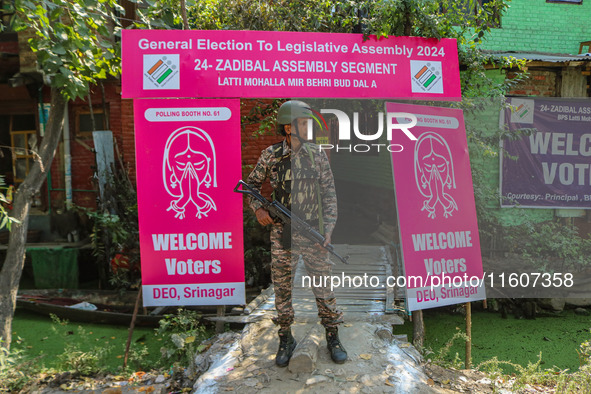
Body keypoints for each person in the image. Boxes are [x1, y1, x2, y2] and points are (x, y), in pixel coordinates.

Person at [247, 100, 347, 367]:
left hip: (313, 231)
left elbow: (329, 194)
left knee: (323, 286)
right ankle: (285, 337)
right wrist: (259, 210)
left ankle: (333, 335)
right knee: (282, 288)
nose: (308, 128)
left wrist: (329, 230)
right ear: (288, 128)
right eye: (303, 124)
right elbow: (251, 186)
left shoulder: (317, 154)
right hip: (282, 232)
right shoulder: (270, 156)